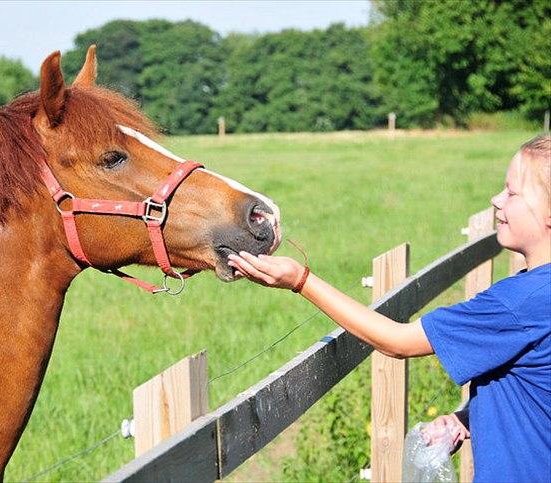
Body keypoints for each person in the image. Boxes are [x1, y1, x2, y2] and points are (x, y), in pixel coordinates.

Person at [227, 134, 550, 482]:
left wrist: (301, 280)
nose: (496, 199)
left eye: (512, 193)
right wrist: (468, 418)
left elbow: (399, 341)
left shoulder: (523, 301)